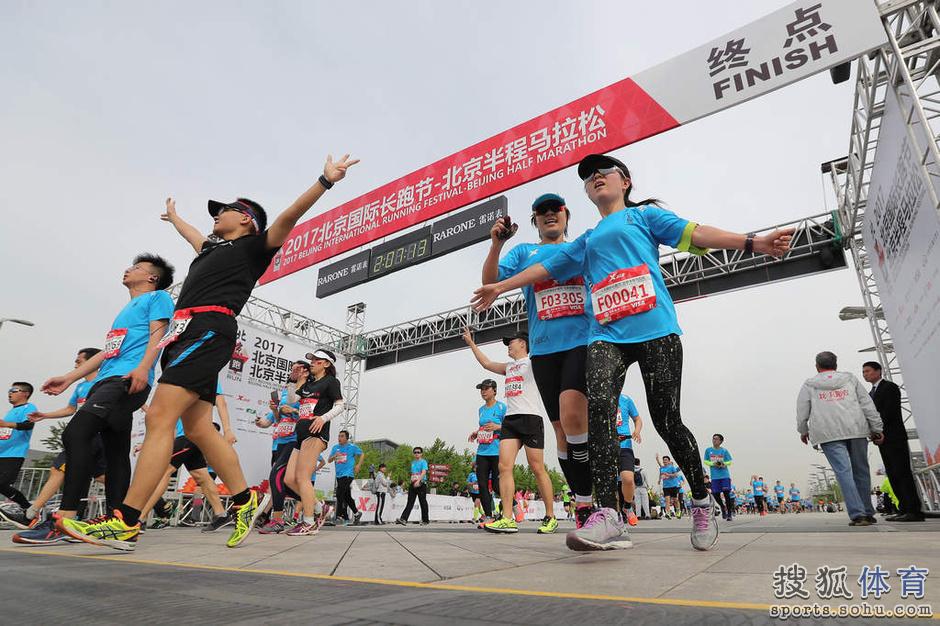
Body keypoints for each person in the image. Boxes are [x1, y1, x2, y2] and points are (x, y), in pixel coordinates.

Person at [471, 153, 793, 551]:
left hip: (656, 330)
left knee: (666, 420)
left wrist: (751, 242)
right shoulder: (586, 241)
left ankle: (700, 499)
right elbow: (545, 270)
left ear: (624, 181)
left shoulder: (645, 218)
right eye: (588, 177)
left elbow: (697, 233)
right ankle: (607, 515)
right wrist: (499, 287)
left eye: (603, 172)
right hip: (606, 336)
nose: (595, 178)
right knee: (602, 412)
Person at [39, 257, 175, 551]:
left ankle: (65, 518)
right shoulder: (125, 311)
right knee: (116, 453)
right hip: (109, 379)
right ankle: (121, 526)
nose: (128, 269)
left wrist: (143, 367)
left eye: (137, 267)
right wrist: (70, 377)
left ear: (152, 278)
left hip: (127, 380)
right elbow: (107, 352)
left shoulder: (158, 297)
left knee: (75, 434)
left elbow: (159, 334)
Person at [482, 193, 593, 526]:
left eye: (554, 209)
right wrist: (496, 245)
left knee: (574, 416)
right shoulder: (523, 253)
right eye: (541, 212)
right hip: (543, 350)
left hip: (581, 343)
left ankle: (590, 496)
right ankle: (582, 502)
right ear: (535, 220)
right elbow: (489, 283)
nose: (548, 215)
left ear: (565, 214)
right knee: (561, 430)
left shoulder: (581, 248)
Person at [462, 329, 558, 536]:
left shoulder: (534, 363)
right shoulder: (509, 367)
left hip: (530, 418)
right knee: (504, 467)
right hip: (511, 421)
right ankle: (507, 518)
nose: (508, 345)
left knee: (537, 468)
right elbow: (487, 363)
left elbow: (549, 349)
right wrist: (471, 343)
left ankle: (550, 516)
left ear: (523, 344)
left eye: (511, 342)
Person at [4, 349, 103, 540]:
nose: (75, 365)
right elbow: (70, 409)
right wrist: (45, 415)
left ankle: (30, 514)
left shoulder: (104, 382)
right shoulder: (81, 387)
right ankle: (135, 509)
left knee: (59, 468)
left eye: (79, 361)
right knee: (102, 477)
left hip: (96, 435)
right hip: (83, 436)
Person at [797, 351, 884, 526]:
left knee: (844, 473)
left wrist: (803, 430)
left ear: (817, 366)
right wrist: (876, 427)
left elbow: (802, 409)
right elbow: (866, 404)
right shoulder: (850, 379)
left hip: (828, 434)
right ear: (836, 365)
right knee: (861, 471)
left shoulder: (810, 384)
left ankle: (858, 514)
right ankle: (868, 511)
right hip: (856, 430)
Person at [863, 361, 924, 522]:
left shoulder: (889, 387)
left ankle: (913, 510)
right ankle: (903, 508)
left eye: (868, 371)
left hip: (894, 436)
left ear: (878, 371)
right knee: (892, 474)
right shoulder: (871, 393)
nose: (865, 374)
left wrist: (879, 430)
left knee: (902, 472)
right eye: (863, 372)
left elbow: (889, 412)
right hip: (881, 439)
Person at [467, 378, 505, 526]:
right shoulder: (481, 410)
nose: (483, 391)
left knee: (496, 486)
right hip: (482, 451)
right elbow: (485, 427)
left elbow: (510, 426)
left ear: (494, 390)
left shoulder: (502, 407)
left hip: (497, 451)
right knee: (482, 485)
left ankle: (513, 503)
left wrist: (498, 427)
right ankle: (488, 516)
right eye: (481, 389)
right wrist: (477, 432)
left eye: (486, 388)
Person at [0, 383, 38, 528]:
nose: (9, 393)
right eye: (9, 390)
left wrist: (7, 424)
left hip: (14, 454)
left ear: (25, 393)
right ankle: (27, 510)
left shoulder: (29, 408)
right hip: (2, 453)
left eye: (13, 390)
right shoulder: (11, 412)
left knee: (2, 483)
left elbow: (28, 425)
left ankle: (29, 509)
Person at [615, 394, 642, 525]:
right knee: (608, 484)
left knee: (628, 479)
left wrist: (637, 431)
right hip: (604, 445)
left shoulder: (625, 399)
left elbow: (637, 419)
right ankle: (612, 515)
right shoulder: (597, 394)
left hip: (624, 444)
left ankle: (627, 506)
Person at [330, 429, 364, 528]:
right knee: (346, 496)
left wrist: (358, 465)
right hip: (339, 475)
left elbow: (362, 454)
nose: (339, 438)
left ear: (346, 438)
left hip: (348, 474)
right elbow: (329, 460)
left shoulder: (352, 447)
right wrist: (334, 456)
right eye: (338, 436)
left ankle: (340, 517)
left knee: (340, 493)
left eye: (341, 436)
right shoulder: (335, 448)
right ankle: (357, 513)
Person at [396, 447, 430, 525]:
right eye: (415, 452)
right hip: (413, 483)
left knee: (423, 502)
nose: (416, 454)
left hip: (421, 483)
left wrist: (418, 481)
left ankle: (425, 520)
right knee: (410, 502)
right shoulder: (413, 462)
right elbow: (413, 473)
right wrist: (412, 481)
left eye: (418, 452)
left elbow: (424, 472)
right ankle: (403, 519)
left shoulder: (423, 462)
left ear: (421, 453)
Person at [703, 434, 734, 521]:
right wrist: (714, 464)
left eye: (716, 439)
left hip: (724, 475)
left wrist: (724, 464)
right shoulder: (708, 450)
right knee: (715, 494)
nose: (714, 440)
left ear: (720, 441)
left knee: (726, 493)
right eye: (713, 439)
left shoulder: (724, 451)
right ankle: (722, 507)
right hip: (715, 477)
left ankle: (729, 514)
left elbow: (729, 461)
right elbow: (706, 461)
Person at [656, 454, 681, 519]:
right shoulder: (662, 468)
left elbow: (675, 475)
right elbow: (660, 474)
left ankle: (678, 511)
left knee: (675, 500)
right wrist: (659, 480)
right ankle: (668, 513)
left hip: (673, 486)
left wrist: (668, 475)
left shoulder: (672, 467)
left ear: (669, 461)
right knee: (667, 500)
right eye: (664, 460)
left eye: (666, 460)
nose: (664, 461)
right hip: (665, 487)